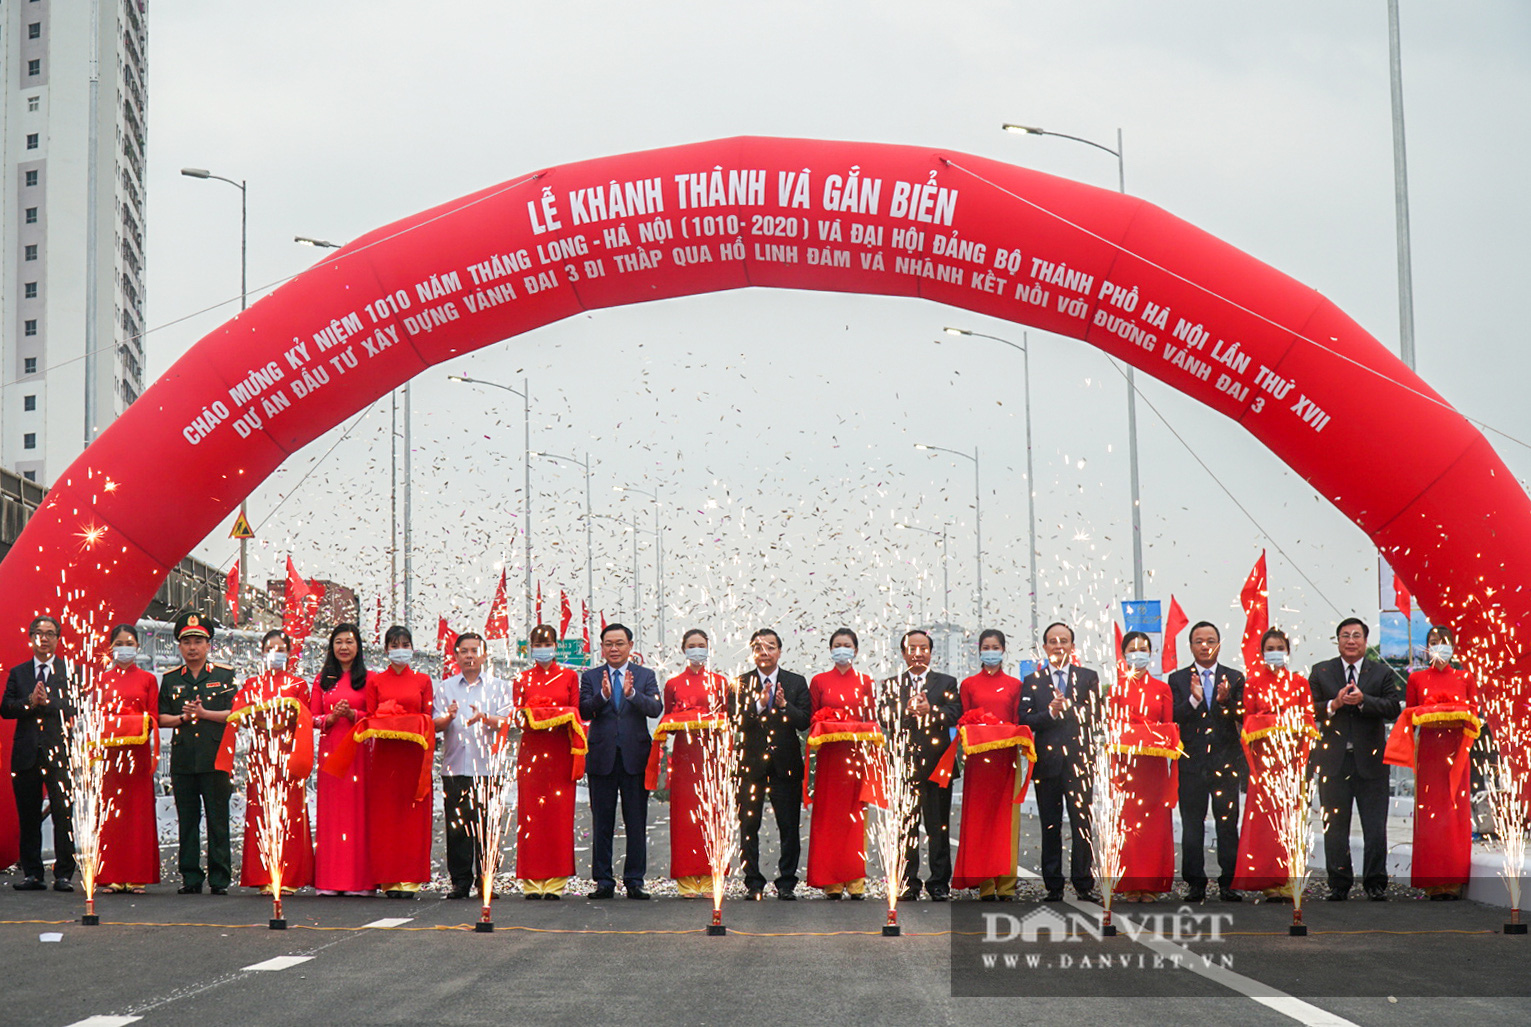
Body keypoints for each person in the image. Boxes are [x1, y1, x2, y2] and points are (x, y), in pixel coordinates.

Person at [1309, 617, 1402, 901]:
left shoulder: (1381, 673)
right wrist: (1333, 704)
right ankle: (1339, 883)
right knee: (1335, 828)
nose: (1351, 640)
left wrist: (1364, 700)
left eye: (1357, 635)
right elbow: (1308, 709)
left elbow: (1393, 708)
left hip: (1371, 762)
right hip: (1333, 762)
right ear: (1337, 641)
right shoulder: (1321, 671)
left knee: (1375, 827)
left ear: (1365, 640)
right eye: (1345, 635)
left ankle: (1375, 883)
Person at [1386, 625, 1478, 899]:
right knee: (1430, 814)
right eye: (1435, 641)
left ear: (1454, 646)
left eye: (1445, 641)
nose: (1440, 646)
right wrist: (1433, 710)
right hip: (1428, 752)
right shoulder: (1416, 679)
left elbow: (1475, 714)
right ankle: (1432, 882)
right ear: (1426, 648)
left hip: (1457, 751)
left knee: (1454, 811)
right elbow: (1411, 714)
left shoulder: (1465, 677)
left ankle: (1454, 878)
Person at [220, 630, 314, 894]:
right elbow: (241, 717)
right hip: (261, 754)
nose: (275, 654)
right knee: (260, 813)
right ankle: (263, 874)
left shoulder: (298, 685)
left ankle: (290, 876)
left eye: (280, 649)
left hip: (287, 753)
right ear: (262, 653)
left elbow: (305, 722)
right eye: (269, 649)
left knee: (290, 813)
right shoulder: (252, 684)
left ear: (288, 653)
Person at [578, 623, 662, 899]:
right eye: (609, 644)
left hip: (634, 758)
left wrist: (632, 695)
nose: (614, 648)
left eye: (619, 643)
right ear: (601, 648)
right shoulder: (590, 677)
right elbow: (584, 711)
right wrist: (602, 695)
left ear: (630, 646)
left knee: (636, 821)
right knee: (602, 821)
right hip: (601, 758)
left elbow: (655, 708)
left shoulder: (645, 675)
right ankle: (603, 881)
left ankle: (634, 880)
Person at [1232, 628, 1316, 901]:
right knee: (1265, 823)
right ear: (1262, 652)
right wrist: (1273, 721)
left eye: (1280, 647)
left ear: (1288, 651)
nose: (1275, 652)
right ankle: (1267, 877)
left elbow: (1308, 720)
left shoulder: (1300, 683)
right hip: (1264, 767)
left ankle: (1289, 878)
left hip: (1290, 763)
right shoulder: (1253, 682)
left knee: (1290, 819)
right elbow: (1248, 721)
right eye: (1270, 648)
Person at [1020, 621, 1101, 903]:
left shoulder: (1088, 676)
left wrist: (1067, 708)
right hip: (1048, 765)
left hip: (1079, 763)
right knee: (1050, 825)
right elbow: (1025, 719)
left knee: (1082, 825)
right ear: (1044, 648)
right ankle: (1053, 885)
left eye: (1063, 641)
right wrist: (1050, 714)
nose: (1058, 645)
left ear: (1072, 646)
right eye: (1052, 641)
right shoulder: (1033, 681)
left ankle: (1083, 883)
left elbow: (1094, 714)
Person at [1167, 621, 1247, 902]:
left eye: (1210, 640)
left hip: (1226, 763)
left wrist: (1225, 703)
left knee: (1227, 824)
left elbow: (1243, 716)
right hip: (1191, 764)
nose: (1204, 645)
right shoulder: (1177, 680)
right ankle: (1195, 883)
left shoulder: (1235, 677)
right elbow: (1173, 717)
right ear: (1190, 646)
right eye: (1198, 641)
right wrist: (1192, 700)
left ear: (1219, 644)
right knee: (1192, 824)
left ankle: (1229, 882)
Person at [158, 612, 236, 895]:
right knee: (188, 821)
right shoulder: (170, 680)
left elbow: (234, 714)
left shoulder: (223, 675)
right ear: (179, 646)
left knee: (218, 819)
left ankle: (219, 878)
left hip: (215, 758)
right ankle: (190, 876)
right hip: (183, 760)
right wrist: (183, 718)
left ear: (208, 645)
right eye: (187, 642)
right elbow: (160, 717)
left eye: (198, 642)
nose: (192, 647)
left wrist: (204, 714)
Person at [880, 629, 961, 902]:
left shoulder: (946, 682)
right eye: (911, 648)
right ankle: (907, 883)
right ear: (903, 653)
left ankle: (938, 884)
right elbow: (884, 717)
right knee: (905, 827)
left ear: (931, 652)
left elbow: (954, 714)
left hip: (938, 765)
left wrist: (931, 712)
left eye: (923, 648)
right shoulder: (892, 684)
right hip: (904, 766)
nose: (917, 653)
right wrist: (907, 711)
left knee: (938, 826)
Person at [951, 629, 1032, 900]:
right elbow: (961, 722)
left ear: (1003, 649)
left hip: (1006, 762)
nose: (990, 651)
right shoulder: (968, 685)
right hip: (978, 764)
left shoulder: (1015, 686)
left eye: (995, 646)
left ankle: (1006, 884)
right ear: (979, 650)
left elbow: (1020, 721)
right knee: (979, 820)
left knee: (1006, 821)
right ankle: (984, 882)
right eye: (986, 646)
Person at [733, 627, 811, 900]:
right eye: (758, 647)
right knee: (748, 825)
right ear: (752, 652)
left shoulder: (796, 681)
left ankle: (787, 882)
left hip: (785, 764)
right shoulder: (740, 683)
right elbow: (736, 721)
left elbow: (804, 722)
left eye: (770, 647)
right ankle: (753, 881)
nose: (764, 652)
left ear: (780, 650)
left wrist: (783, 705)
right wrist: (758, 705)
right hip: (749, 765)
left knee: (788, 826)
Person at [434, 632, 513, 900]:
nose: (469, 655)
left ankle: (486, 880)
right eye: (464, 651)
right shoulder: (445, 687)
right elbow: (435, 724)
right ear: (455, 656)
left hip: (490, 768)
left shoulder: (500, 686)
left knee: (487, 827)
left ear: (484, 655)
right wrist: (449, 717)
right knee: (457, 828)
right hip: (455, 767)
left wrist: (485, 718)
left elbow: (508, 723)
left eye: (474, 650)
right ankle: (460, 881)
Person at [2, 614, 77, 892]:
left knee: (62, 814)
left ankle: (64, 874)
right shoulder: (19, 672)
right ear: (30, 637)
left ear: (58, 639)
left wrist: (47, 703)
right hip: (26, 754)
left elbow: (73, 707)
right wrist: (29, 703)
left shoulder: (70, 670)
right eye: (38, 633)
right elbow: (6, 708)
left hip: (59, 754)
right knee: (29, 815)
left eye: (49, 633)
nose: (43, 638)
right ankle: (32, 873)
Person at [654, 629, 729, 897]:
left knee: (712, 816)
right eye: (691, 645)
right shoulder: (673, 684)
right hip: (685, 757)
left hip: (712, 758)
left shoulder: (720, 683)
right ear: (684, 650)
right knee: (685, 818)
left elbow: (727, 720)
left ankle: (711, 878)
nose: (697, 650)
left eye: (701, 645)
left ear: (708, 648)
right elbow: (668, 721)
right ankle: (686, 880)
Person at [806, 628, 879, 899]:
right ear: (830, 650)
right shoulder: (819, 681)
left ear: (856, 650)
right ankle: (832, 881)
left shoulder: (866, 681)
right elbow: (813, 719)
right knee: (829, 819)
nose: (842, 649)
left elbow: (872, 721)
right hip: (829, 761)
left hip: (856, 759)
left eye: (846, 645)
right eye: (837, 645)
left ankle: (855, 880)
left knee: (856, 818)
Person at [513, 624, 584, 899]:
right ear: (530, 648)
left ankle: (555, 882)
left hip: (560, 754)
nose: (543, 649)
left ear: (556, 646)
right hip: (532, 754)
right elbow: (518, 716)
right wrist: (533, 715)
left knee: (558, 817)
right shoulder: (521, 678)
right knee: (531, 817)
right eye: (537, 644)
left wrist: (554, 714)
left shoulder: (569, 676)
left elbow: (576, 714)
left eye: (547, 644)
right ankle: (531, 881)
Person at [1113, 630, 1181, 902]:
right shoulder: (1117, 688)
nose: (1137, 653)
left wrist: (1147, 733)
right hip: (1127, 769)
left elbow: (1168, 728)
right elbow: (1112, 728)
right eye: (1132, 649)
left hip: (1153, 771)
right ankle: (1130, 884)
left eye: (1143, 648)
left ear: (1150, 654)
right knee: (1129, 826)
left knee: (1153, 827)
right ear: (1124, 654)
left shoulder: (1162, 689)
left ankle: (1151, 884)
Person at [94, 624, 160, 893]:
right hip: (110, 755)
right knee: (111, 814)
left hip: (137, 753)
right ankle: (110, 873)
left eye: (130, 643)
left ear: (137, 647)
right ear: (111, 648)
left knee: (137, 812)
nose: (125, 647)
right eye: (119, 643)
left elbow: (154, 716)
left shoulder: (148, 679)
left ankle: (136, 874)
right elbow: (96, 716)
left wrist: (133, 723)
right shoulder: (101, 680)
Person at [310, 623, 373, 895]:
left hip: (360, 753)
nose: (344, 647)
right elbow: (310, 717)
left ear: (358, 647)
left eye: (349, 642)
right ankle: (330, 880)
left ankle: (359, 881)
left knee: (359, 814)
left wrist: (354, 716)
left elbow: (377, 716)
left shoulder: (370, 680)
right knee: (332, 815)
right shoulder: (321, 680)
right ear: (331, 647)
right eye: (338, 642)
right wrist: (331, 718)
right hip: (331, 754)